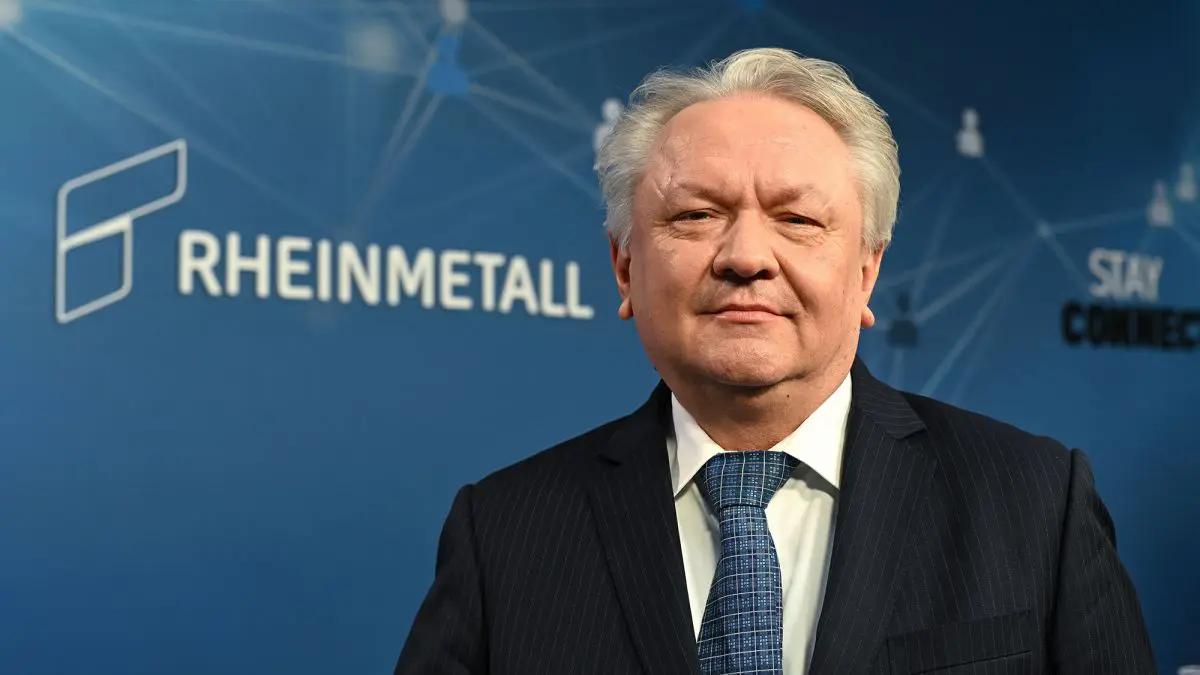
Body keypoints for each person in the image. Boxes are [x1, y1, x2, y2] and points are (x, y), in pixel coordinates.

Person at [394, 47, 1156, 674]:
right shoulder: (504, 531)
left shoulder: (1034, 502)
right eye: (696, 215)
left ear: (866, 272)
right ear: (624, 268)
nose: (747, 256)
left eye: (797, 219)